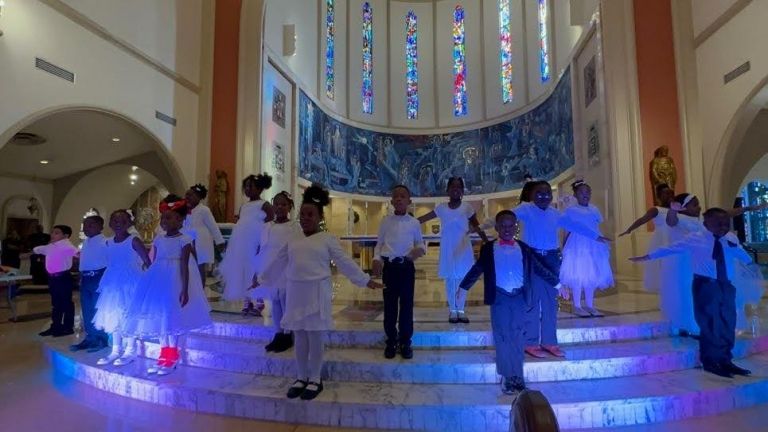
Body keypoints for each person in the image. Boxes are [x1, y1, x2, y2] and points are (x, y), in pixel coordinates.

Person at [253, 184, 382, 401]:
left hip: (316, 294)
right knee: (300, 336)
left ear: (320, 216)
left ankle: (315, 378)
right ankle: (301, 376)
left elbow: (344, 262)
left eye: (310, 214)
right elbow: (279, 262)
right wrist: (261, 279)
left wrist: (364, 280)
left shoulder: (327, 239)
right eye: (302, 214)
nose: (305, 218)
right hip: (296, 292)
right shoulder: (293, 239)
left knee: (314, 336)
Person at [630, 208, 754, 378]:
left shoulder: (730, 238)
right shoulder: (696, 239)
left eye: (726, 223)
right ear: (706, 224)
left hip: (726, 286)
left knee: (727, 323)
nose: (723, 226)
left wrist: (735, 248)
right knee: (710, 324)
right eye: (718, 223)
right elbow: (671, 248)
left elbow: (747, 259)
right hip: (706, 285)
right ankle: (710, 361)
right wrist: (647, 257)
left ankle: (726, 360)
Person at [459, 210, 560, 394]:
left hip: (520, 297)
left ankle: (518, 376)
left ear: (516, 227)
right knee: (502, 337)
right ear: (497, 228)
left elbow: (539, 269)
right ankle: (507, 375)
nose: (507, 229)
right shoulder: (489, 248)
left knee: (517, 337)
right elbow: (478, 268)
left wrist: (558, 283)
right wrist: (463, 287)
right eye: (503, 226)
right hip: (499, 297)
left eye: (510, 225)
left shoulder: (524, 248)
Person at [512, 181, 609, 358]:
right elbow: (506, 217)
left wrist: (597, 237)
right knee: (532, 301)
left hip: (551, 258)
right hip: (531, 257)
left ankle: (549, 342)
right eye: (540, 192)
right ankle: (530, 342)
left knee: (550, 303)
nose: (544, 196)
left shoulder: (555, 213)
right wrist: (485, 226)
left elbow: (576, 226)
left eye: (548, 193)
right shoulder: (526, 209)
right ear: (532, 195)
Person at [122, 195, 212, 375]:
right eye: (163, 217)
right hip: (159, 277)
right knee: (160, 315)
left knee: (172, 316)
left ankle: (173, 355)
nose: (164, 221)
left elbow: (185, 265)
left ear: (180, 220)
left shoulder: (185, 239)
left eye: (169, 217)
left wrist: (185, 289)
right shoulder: (159, 239)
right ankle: (163, 354)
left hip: (176, 279)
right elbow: (154, 260)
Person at [417, 177, 488, 324]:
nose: (455, 190)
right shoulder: (441, 208)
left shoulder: (467, 208)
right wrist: (406, 222)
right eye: (452, 187)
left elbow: (477, 225)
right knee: (450, 280)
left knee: (463, 280)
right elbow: (423, 219)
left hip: (463, 248)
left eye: (458, 187)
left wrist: (486, 241)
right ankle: (452, 311)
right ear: (447, 190)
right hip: (448, 248)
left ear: (462, 191)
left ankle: (461, 310)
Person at [372, 185, 426, 359]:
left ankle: (405, 341)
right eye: (396, 196)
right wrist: (377, 259)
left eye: (403, 196)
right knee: (389, 306)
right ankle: (391, 340)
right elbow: (379, 244)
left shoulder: (414, 223)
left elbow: (420, 243)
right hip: (390, 269)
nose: (399, 199)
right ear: (392, 201)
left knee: (406, 306)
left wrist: (418, 250)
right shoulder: (385, 222)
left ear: (409, 201)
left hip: (406, 268)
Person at [92, 210, 151, 366]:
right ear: (110, 224)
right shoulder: (108, 242)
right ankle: (116, 350)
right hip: (112, 282)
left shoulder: (134, 240)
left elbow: (147, 261)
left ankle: (130, 350)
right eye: (115, 221)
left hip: (130, 281)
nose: (118, 224)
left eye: (123, 221)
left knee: (129, 313)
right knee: (114, 313)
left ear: (129, 223)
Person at [250, 191, 302, 353]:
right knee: (275, 301)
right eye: (277, 204)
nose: (280, 207)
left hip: (287, 267)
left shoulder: (294, 226)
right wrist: (256, 270)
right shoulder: (267, 226)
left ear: (290, 207)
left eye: (284, 204)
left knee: (287, 301)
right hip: (270, 268)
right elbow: (260, 248)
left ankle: (288, 334)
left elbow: (299, 248)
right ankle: (278, 333)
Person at [220, 173, 274, 315]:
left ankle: (259, 300)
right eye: (246, 186)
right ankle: (247, 300)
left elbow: (269, 224)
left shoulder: (264, 204)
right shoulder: (243, 206)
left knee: (254, 270)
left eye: (251, 186)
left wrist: (263, 242)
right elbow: (241, 224)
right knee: (243, 270)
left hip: (255, 241)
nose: (248, 189)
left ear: (260, 189)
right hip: (241, 243)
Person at [559, 180, 614, 317]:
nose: (586, 195)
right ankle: (577, 305)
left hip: (594, 245)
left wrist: (603, 240)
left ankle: (590, 305)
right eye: (582, 192)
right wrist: (564, 247)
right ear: (576, 194)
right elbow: (567, 229)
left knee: (592, 275)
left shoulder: (594, 209)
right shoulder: (571, 210)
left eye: (588, 192)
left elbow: (597, 226)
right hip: (577, 245)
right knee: (578, 274)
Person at [619, 183, 675, 294]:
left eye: (671, 193)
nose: (669, 196)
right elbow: (642, 220)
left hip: (674, 237)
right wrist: (629, 229)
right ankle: (664, 284)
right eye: (666, 193)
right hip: (661, 239)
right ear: (659, 196)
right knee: (661, 262)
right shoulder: (656, 210)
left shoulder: (676, 209)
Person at [69, 216, 109, 352]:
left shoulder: (106, 242)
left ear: (100, 227)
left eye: (90, 225)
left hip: (99, 277)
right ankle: (90, 337)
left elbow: (109, 262)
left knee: (98, 309)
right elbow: (84, 261)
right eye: (85, 225)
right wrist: (81, 276)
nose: (86, 228)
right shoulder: (86, 242)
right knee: (86, 309)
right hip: (86, 278)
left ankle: (100, 338)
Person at [34, 225, 78, 337]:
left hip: (63, 277)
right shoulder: (51, 246)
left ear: (66, 236)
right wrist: (35, 250)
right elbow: (39, 249)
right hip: (53, 278)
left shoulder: (67, 246)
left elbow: (77, 253)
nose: (52, 234)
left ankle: (68, 327)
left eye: (56, 233)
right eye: (52, 232)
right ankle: (56, 326)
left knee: (66, 303)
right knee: (56, 303)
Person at [184, 184, 226, 285]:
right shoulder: (185, 210)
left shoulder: (204, 210)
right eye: (187, 195)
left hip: (200, 242)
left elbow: (213, 227)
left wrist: (219, 241)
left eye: (191, 195)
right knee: (189, 265)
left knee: (200, 266)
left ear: (198, 197)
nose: (187, 197)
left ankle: (201, 288)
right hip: (188, 241)